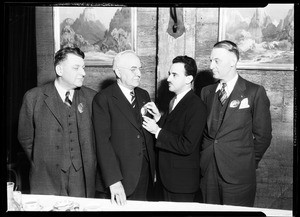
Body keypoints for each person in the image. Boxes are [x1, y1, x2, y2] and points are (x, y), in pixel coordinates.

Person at [200, 40, 272, 207]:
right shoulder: (206, 92)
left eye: (216, 61)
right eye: (211, 60)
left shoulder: (254, 92)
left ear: (233, 62)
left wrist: (246, 163)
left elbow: (264, 136)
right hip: (208, 172)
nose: (211, 66)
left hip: (239, 177)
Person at [18, 47, 97, 197]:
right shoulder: (33, 98)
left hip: (81, 177)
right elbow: (25, 138)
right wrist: (42, 159)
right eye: (76, 68)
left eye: (83, 67)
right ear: (59, 70)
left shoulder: (92, 98)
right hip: (46, 177)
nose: (83, 73)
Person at [92, 50, 155, 205]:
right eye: (133, 69)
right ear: (118, 72)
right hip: (120, 175)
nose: (139, 73)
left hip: (144, 172)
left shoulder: (143, 95)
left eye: (140, 69)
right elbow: (102, 143)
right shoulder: (103, 98)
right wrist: (114, 181)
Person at [142, 55, 207, 202]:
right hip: (166, 180)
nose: (169, 79)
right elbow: (176, 128)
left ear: (189, 79)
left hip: (180, 185)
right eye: (169, 74)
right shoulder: (175, 100)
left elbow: (187, 145)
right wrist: (159, 118)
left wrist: (156, 131)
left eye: (174, 75)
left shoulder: (197, 106)